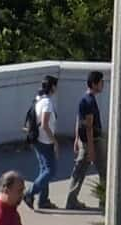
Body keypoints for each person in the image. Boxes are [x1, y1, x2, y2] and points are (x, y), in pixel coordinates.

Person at [64, 71, 104, 210]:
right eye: (101, 82)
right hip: (92, 141)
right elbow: (88, 126)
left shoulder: (84, 99)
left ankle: (72, 200)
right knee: (101, 171)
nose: (102, 85)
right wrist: (91, 149)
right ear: (94, 84)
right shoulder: (89, 101)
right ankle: (102, 201)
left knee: (80, 170)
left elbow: (78, 120)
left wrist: (76, 139)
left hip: (86, 141)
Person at [26, 75, 59, 210]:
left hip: (37, 140)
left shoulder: (38, 100)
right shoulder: (47, 103)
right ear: (52, 87)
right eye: (56, 85)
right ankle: (30, 193)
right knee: (50, 171)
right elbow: (45, 124)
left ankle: (43, 200)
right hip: (45, 141)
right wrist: (55, 141)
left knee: (44, 169)